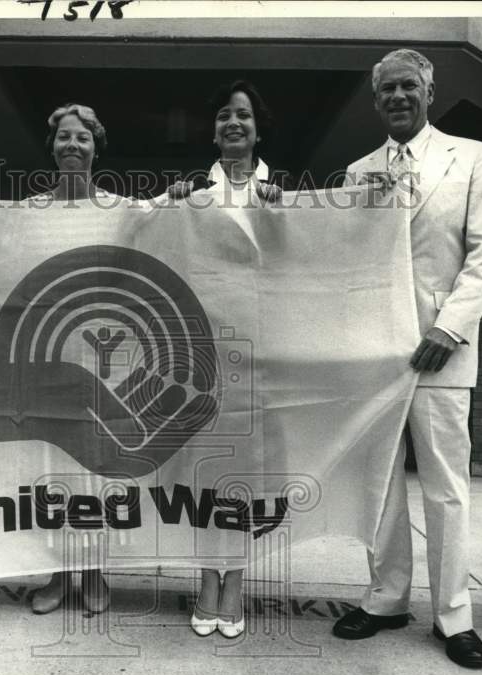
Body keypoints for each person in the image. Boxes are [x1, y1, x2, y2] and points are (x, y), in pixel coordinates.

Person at [332, 49, 482, 668]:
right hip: (376, 356)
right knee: (378, 486)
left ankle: (454, 615)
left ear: (429, 93)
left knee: (446, 489)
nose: (398, 97)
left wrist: (449, 329)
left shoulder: (472, 157)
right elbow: (347, 265)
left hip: (442, 354)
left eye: (409, 86)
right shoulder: (357, 172)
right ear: (376, 101)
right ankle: (386, 598)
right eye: (386, 90)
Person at [170, 80, 287, 639]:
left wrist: (283, 214)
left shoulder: (281, 192)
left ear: (258, 128)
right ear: (214, 130)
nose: (232, 123)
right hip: (201, 356)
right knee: (203, 470)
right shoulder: (190, 190)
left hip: (258, 356)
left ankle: (235, 582)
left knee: (244, 472)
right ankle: (204, 582)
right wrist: (168, 211)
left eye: (243, 115)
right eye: (223, 115)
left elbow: (303, 262)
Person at [26, 102, 118, 616]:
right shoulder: (32, 211)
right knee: (52, 470)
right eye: (64, 137)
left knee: (97, 470)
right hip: (48, 356)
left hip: (102, 358)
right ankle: (59, 575)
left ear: (95, 146)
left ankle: (95, 572)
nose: (72, 146)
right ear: (53, 145)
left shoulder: (118, 209)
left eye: (82, 138)